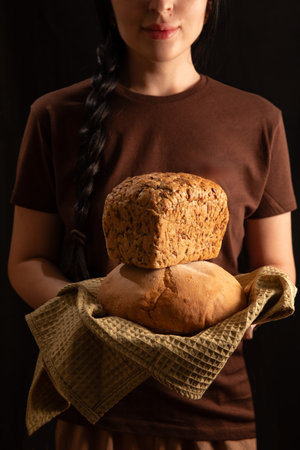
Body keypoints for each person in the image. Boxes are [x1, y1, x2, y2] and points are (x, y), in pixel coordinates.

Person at [8, 0, 296, 449]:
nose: (161, 5)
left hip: (215, 415)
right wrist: (94, 315)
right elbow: (26, 259)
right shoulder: (55, 115)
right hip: (95, 410)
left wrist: (245, 315)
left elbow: (278, 268)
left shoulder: (259, 121)